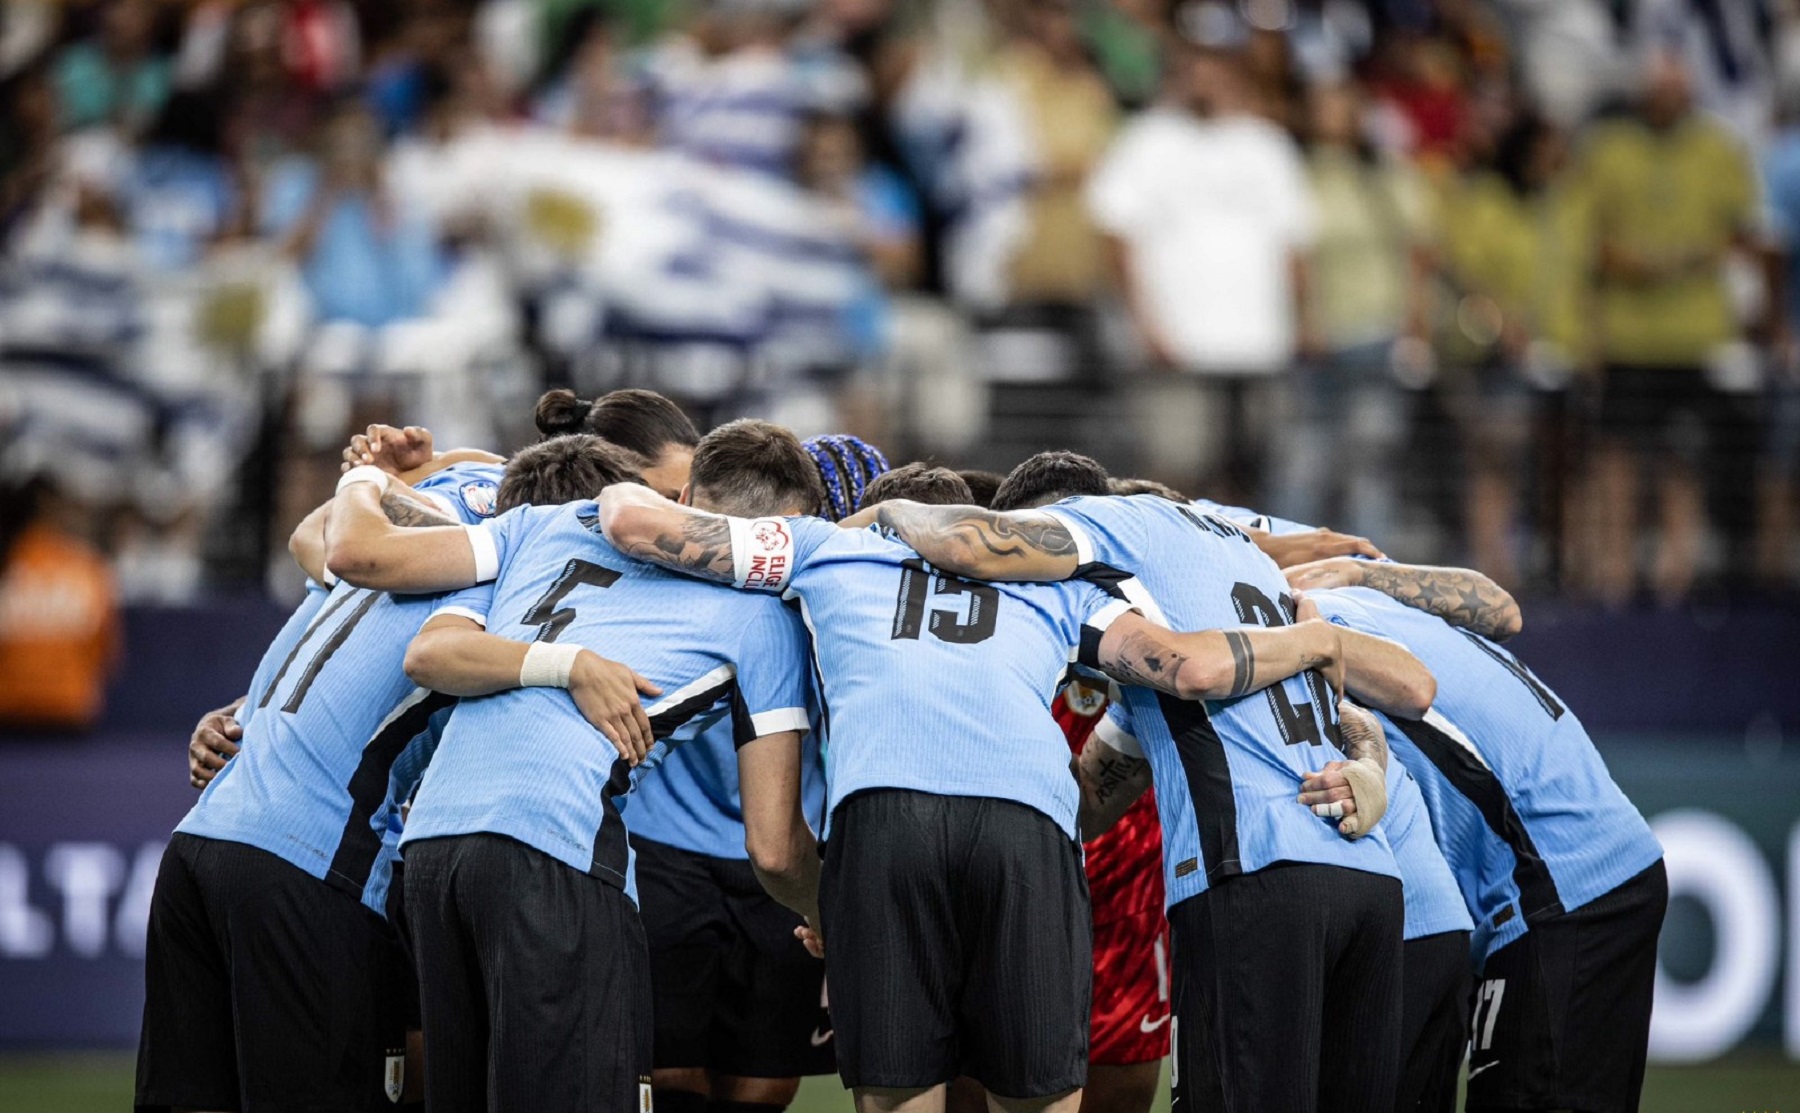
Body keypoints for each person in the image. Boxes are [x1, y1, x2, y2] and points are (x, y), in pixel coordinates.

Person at [603, 450, 1435, 1113]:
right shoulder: (1064, 585)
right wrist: (1321, 649)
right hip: (1031, 826)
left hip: (881, 818)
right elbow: (1182, 666)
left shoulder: (831, 549)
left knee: (898, 1098)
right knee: (1039, 1098)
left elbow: (637, 521)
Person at [873, 452, 1439, 1113]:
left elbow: (974, 545)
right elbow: (1404, 687)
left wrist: (870, 519)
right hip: (1366, 878)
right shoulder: (1234, 564)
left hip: (1252, 870)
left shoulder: (1103, 533)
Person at [323, 420, 824, 1111]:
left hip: (435, 846)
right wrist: (829, 911)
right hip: (556, 845)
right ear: (782, 533)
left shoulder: (550, 521)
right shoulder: (765, 619)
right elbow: (772, 847)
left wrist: (370, 478)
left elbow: (364, 567)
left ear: (686, 492)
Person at [134, 440, 529, 1112]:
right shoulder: (500, 578)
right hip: (310, 860)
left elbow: (311, 541)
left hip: (200, 843)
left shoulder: (389, 558)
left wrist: (240, 710)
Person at [1298, 583, 1666, 1113]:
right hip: (1564, 870)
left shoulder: (1300, 625)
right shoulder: (1355, 591)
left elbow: (1413, 686)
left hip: (1561, 882)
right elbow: (1500, 608)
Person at [1087, 15, 1314, 501]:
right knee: (1173, 476)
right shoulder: (1147, 139)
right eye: (1195, 59)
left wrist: (1302, 321)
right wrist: (1144, 325)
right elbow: (1115, 238)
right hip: (1177, 348)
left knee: (1251, 479)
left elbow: (1294, 243)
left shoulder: (1268, 145)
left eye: (1216, 59)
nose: (1205, 72)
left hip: (1258, 346)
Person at [1574, 48, 1770, 603]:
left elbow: (1745, 231)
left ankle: (1673, 578)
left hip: (1696, 339)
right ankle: (1612, 575)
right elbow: (1584, 235)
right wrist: (1633, 267)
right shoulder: (1608, 148)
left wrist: (1692, 259)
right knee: (1617, 462)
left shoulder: (1718, 148)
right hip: (1625, 337)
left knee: (1684, 463)